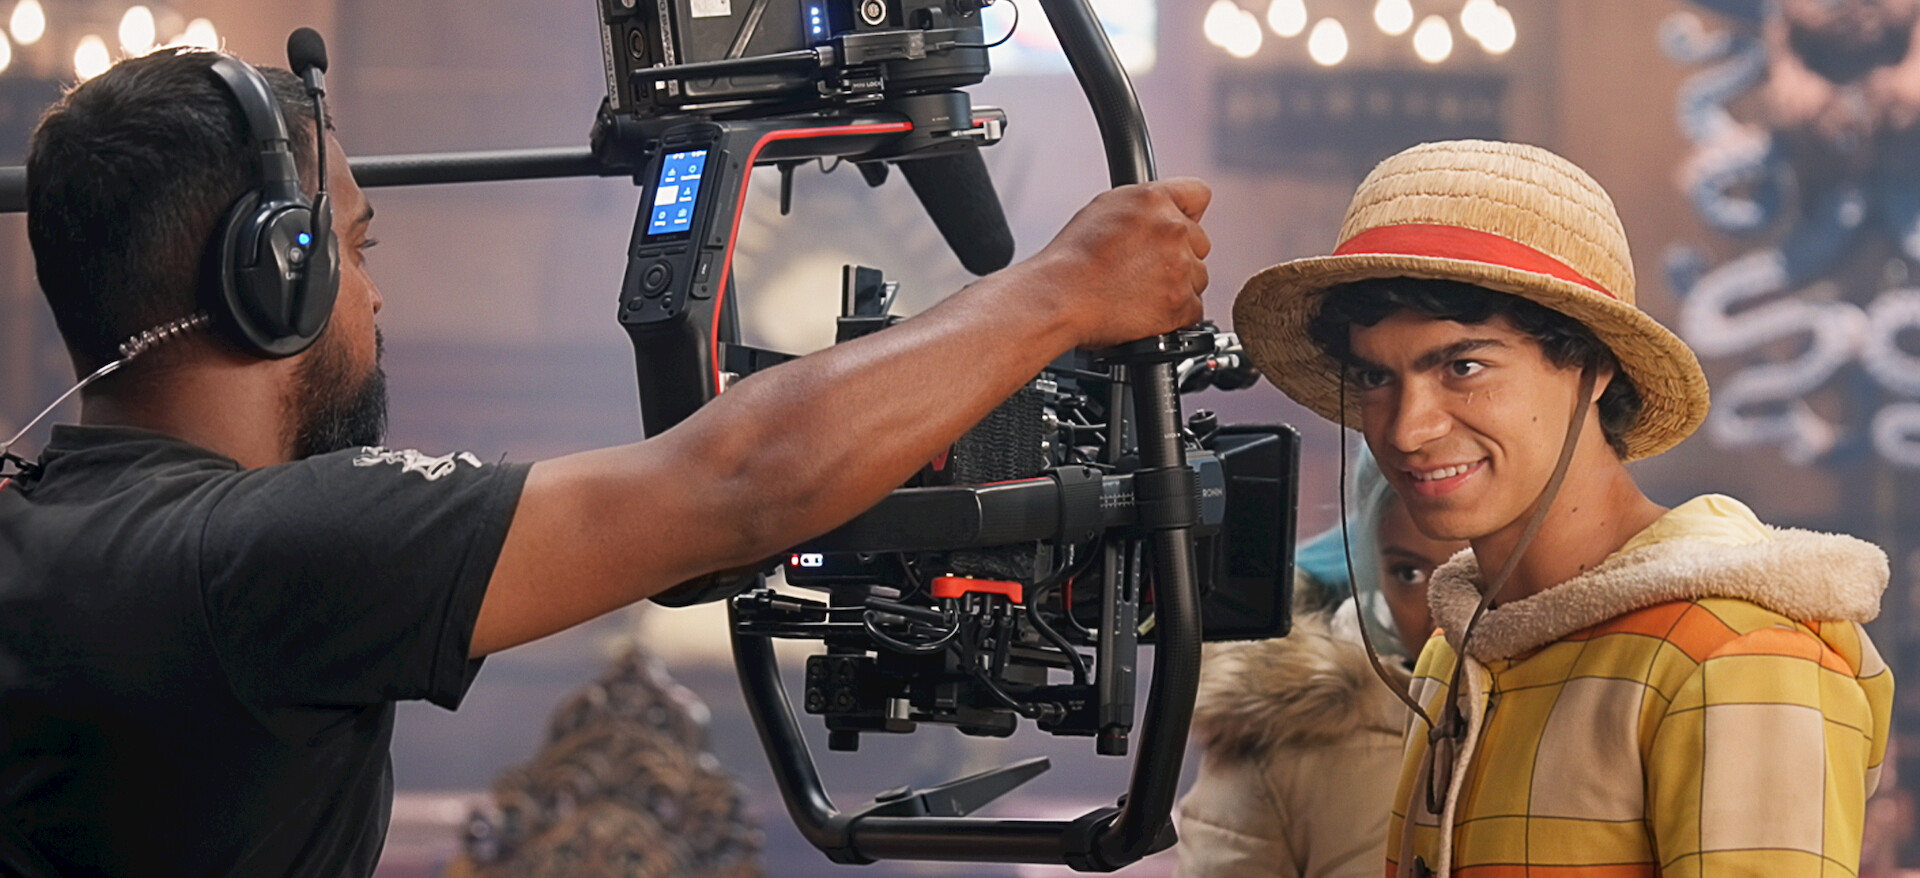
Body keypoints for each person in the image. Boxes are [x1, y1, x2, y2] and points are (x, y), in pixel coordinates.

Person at [0, 46, 1212, 877]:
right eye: (357, 249)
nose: (373, 295)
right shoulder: (260, 557)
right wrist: (1064, 288)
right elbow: (733, 485)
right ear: (278, 276)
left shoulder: (39, 525)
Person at [1232, 139, 1894, 878]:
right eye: (1374, 378)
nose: (1407, 429)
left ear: (1592, 365)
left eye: (1463, 366)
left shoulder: (1734, 655)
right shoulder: (1455, 652)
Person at [1174, 447, 1464, 878]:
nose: (1442, 611)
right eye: (1408, 573)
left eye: (1474, 568)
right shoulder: (1285, 737)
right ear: (1372, 568)